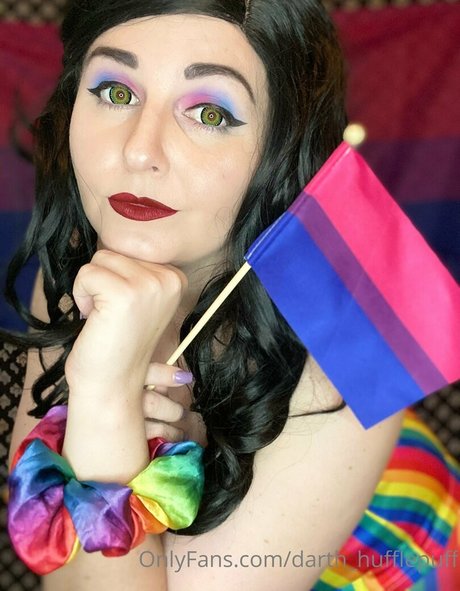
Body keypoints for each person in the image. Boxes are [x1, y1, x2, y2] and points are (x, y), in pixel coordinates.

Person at [3, 1, 458, 590]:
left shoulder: (349, 332)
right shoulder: (81, 258)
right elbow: (59, 563)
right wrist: (103, 405)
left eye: (211, 113)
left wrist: (107, 397)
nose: (140, 151)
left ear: (280, 145)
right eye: (116, 92)